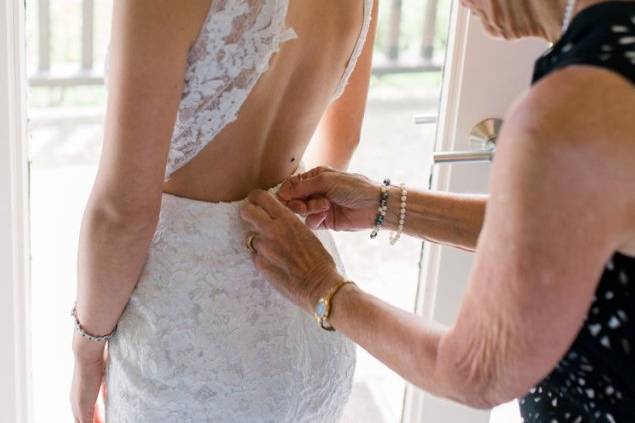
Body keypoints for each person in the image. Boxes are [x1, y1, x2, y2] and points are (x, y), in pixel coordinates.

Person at [240, 0, 635, 420]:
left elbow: (476, 372)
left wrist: (322, 287)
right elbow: (563, 221)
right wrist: (385, 205)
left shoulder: (572, 110)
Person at [69, 0, 379, 422]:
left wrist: (87, 348)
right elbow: (342, 143)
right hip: (310, 308)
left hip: (186, 349)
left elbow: (124, 213)